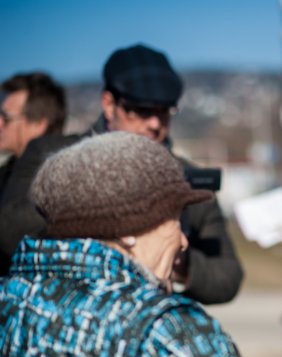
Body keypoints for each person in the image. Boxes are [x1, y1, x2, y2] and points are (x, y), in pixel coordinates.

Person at [0, 132, 276, 357]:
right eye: (175, 220)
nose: (184, 240)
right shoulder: (166, 331)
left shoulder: (11, 302)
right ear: (129, 230)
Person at [0, 44, 244, 306]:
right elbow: (10, 231)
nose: (154, 123)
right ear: (109, 104)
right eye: (141, 110)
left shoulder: (188, 180)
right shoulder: (49, 153)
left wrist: (175, 257)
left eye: (164, 111)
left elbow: (227, 277)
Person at [0, 72, 65, 200]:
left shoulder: (58, 184)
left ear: (38, 123)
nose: (0, 123)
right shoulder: (7, 173)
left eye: (6, 118)